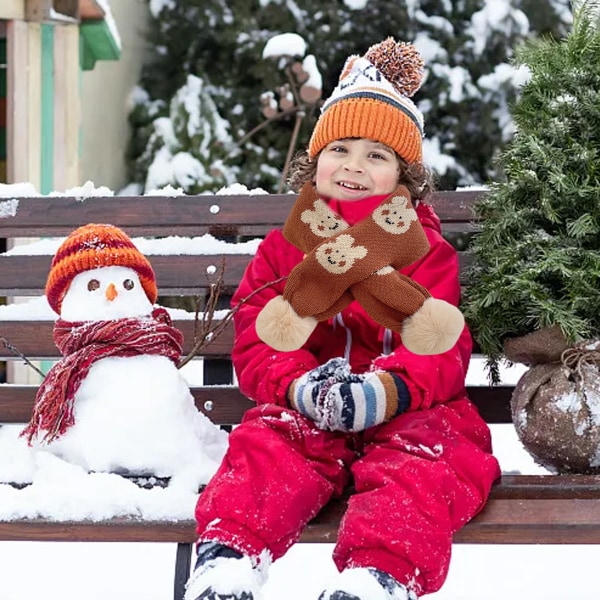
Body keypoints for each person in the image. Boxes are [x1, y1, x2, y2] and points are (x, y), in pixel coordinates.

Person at [184, 37, 501, 600]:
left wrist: (385, 391)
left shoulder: (424, 250)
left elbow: (439, 345)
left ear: (404, 178)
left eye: (377, 156)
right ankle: (228, 560)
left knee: (427, 461)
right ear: (315, 159)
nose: (354, 166)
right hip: (312, 404)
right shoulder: (285, 249)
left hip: (407, 407)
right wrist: (298, 387)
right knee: (270, 444)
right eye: (341, 149)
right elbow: (260, 336)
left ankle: (378, 576)